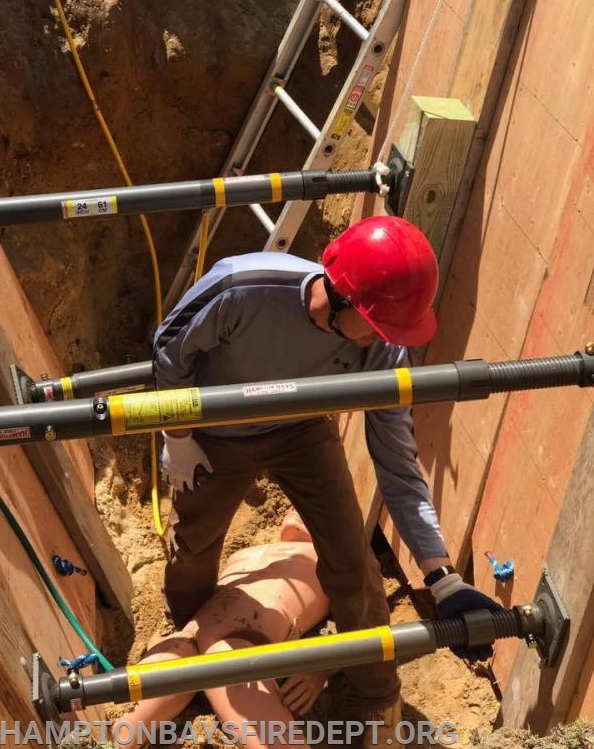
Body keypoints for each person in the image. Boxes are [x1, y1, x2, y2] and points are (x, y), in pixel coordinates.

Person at [153, 215, 500, 744]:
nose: (388, 342)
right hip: (214, 427)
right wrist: (178, 438)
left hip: (302, 424)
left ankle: (372, 696)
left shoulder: (381, 345)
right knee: (194, 546)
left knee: (350, 556)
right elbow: (169, 351)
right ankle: (191, 637)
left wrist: (442, 577)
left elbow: (398, 465)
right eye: (381, 327)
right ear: (342, 300)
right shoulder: (242, 288)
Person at [114, 510, 373, 749]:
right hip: (190, 638)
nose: (294, 510)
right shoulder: (246, 551)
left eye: (303, 508)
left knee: (223, 660)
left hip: (240, 646)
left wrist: (323, 667)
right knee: (126, 727)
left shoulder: (332, 558)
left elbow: (362, 625)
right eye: (291, 507)